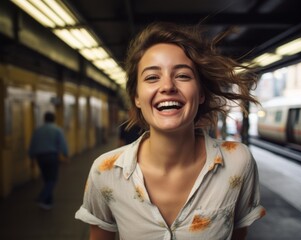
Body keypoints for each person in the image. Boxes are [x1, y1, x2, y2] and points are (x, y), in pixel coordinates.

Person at [75, 22, 265, 240]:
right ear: (136, 97)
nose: (167, 86)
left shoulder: (238, 162)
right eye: (152, 77)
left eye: (183, 75)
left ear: (201, 93)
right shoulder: (105, 172)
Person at [29, 111, 69, 210]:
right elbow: (62, 143)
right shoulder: (57, 130)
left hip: (40, 157)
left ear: (44, 119)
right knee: (53, 179)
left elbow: (33, 144)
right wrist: (66, 155)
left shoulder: (37, 130)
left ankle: (48, 202)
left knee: (47, 179)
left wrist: (32, 158)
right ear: (54, 119)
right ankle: (42, 196)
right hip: (52, 157)